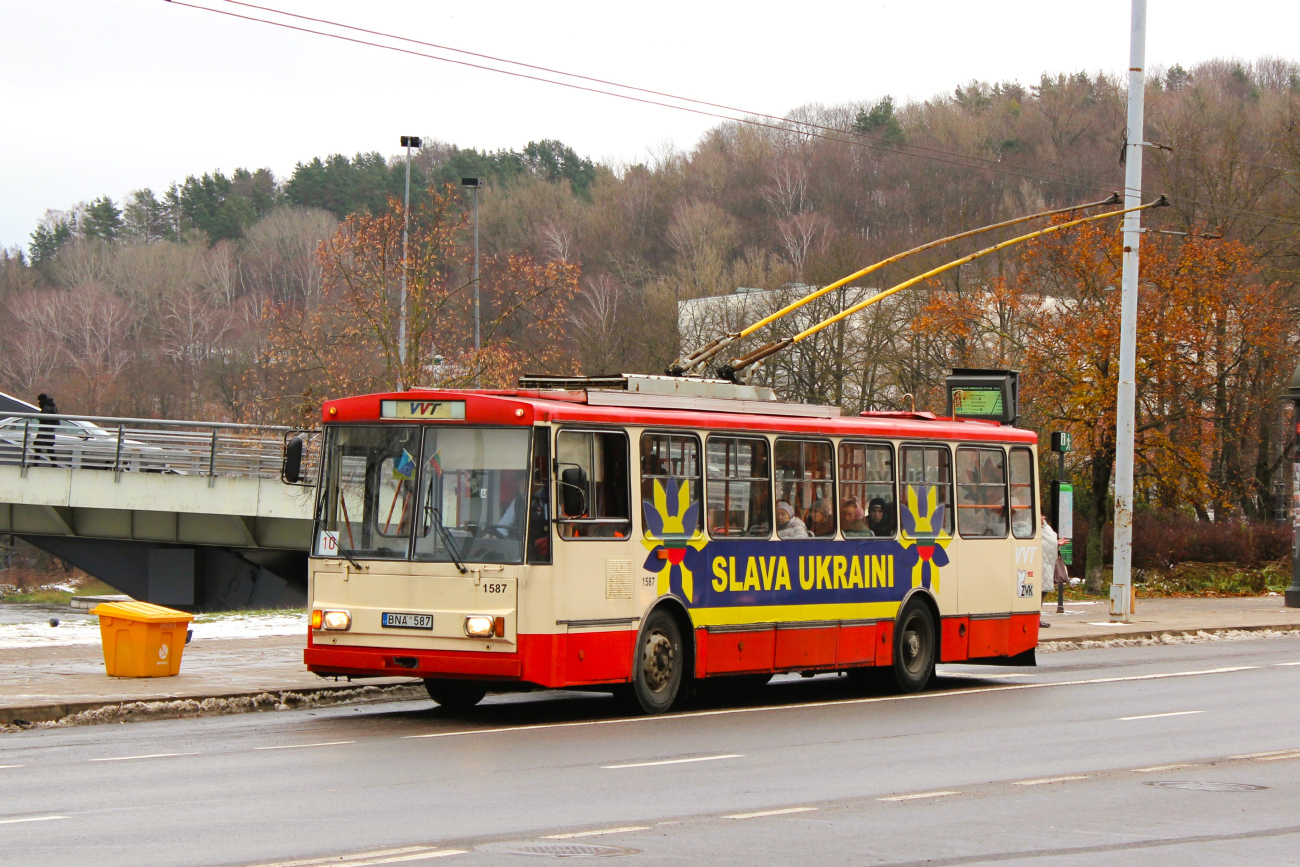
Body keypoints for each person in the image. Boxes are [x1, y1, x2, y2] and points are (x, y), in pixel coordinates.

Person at [1040, 515, 1057, 628]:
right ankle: (1036, 618)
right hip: (1040, 564)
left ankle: (1037, 618)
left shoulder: (1047, 528)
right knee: (1038, 593)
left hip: (1047, 564)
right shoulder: (1033, 529)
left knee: (1042, 593)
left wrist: (1057, 543)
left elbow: (1050, 542)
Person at [35, 393, 58, 465]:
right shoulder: (52, 406)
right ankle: (54, 464)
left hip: (45, 429)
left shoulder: (45, 407)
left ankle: (35, 463)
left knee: (37, 445)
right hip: (50, 430)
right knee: (49, 447)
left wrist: (39, 417)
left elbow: (44, 418)